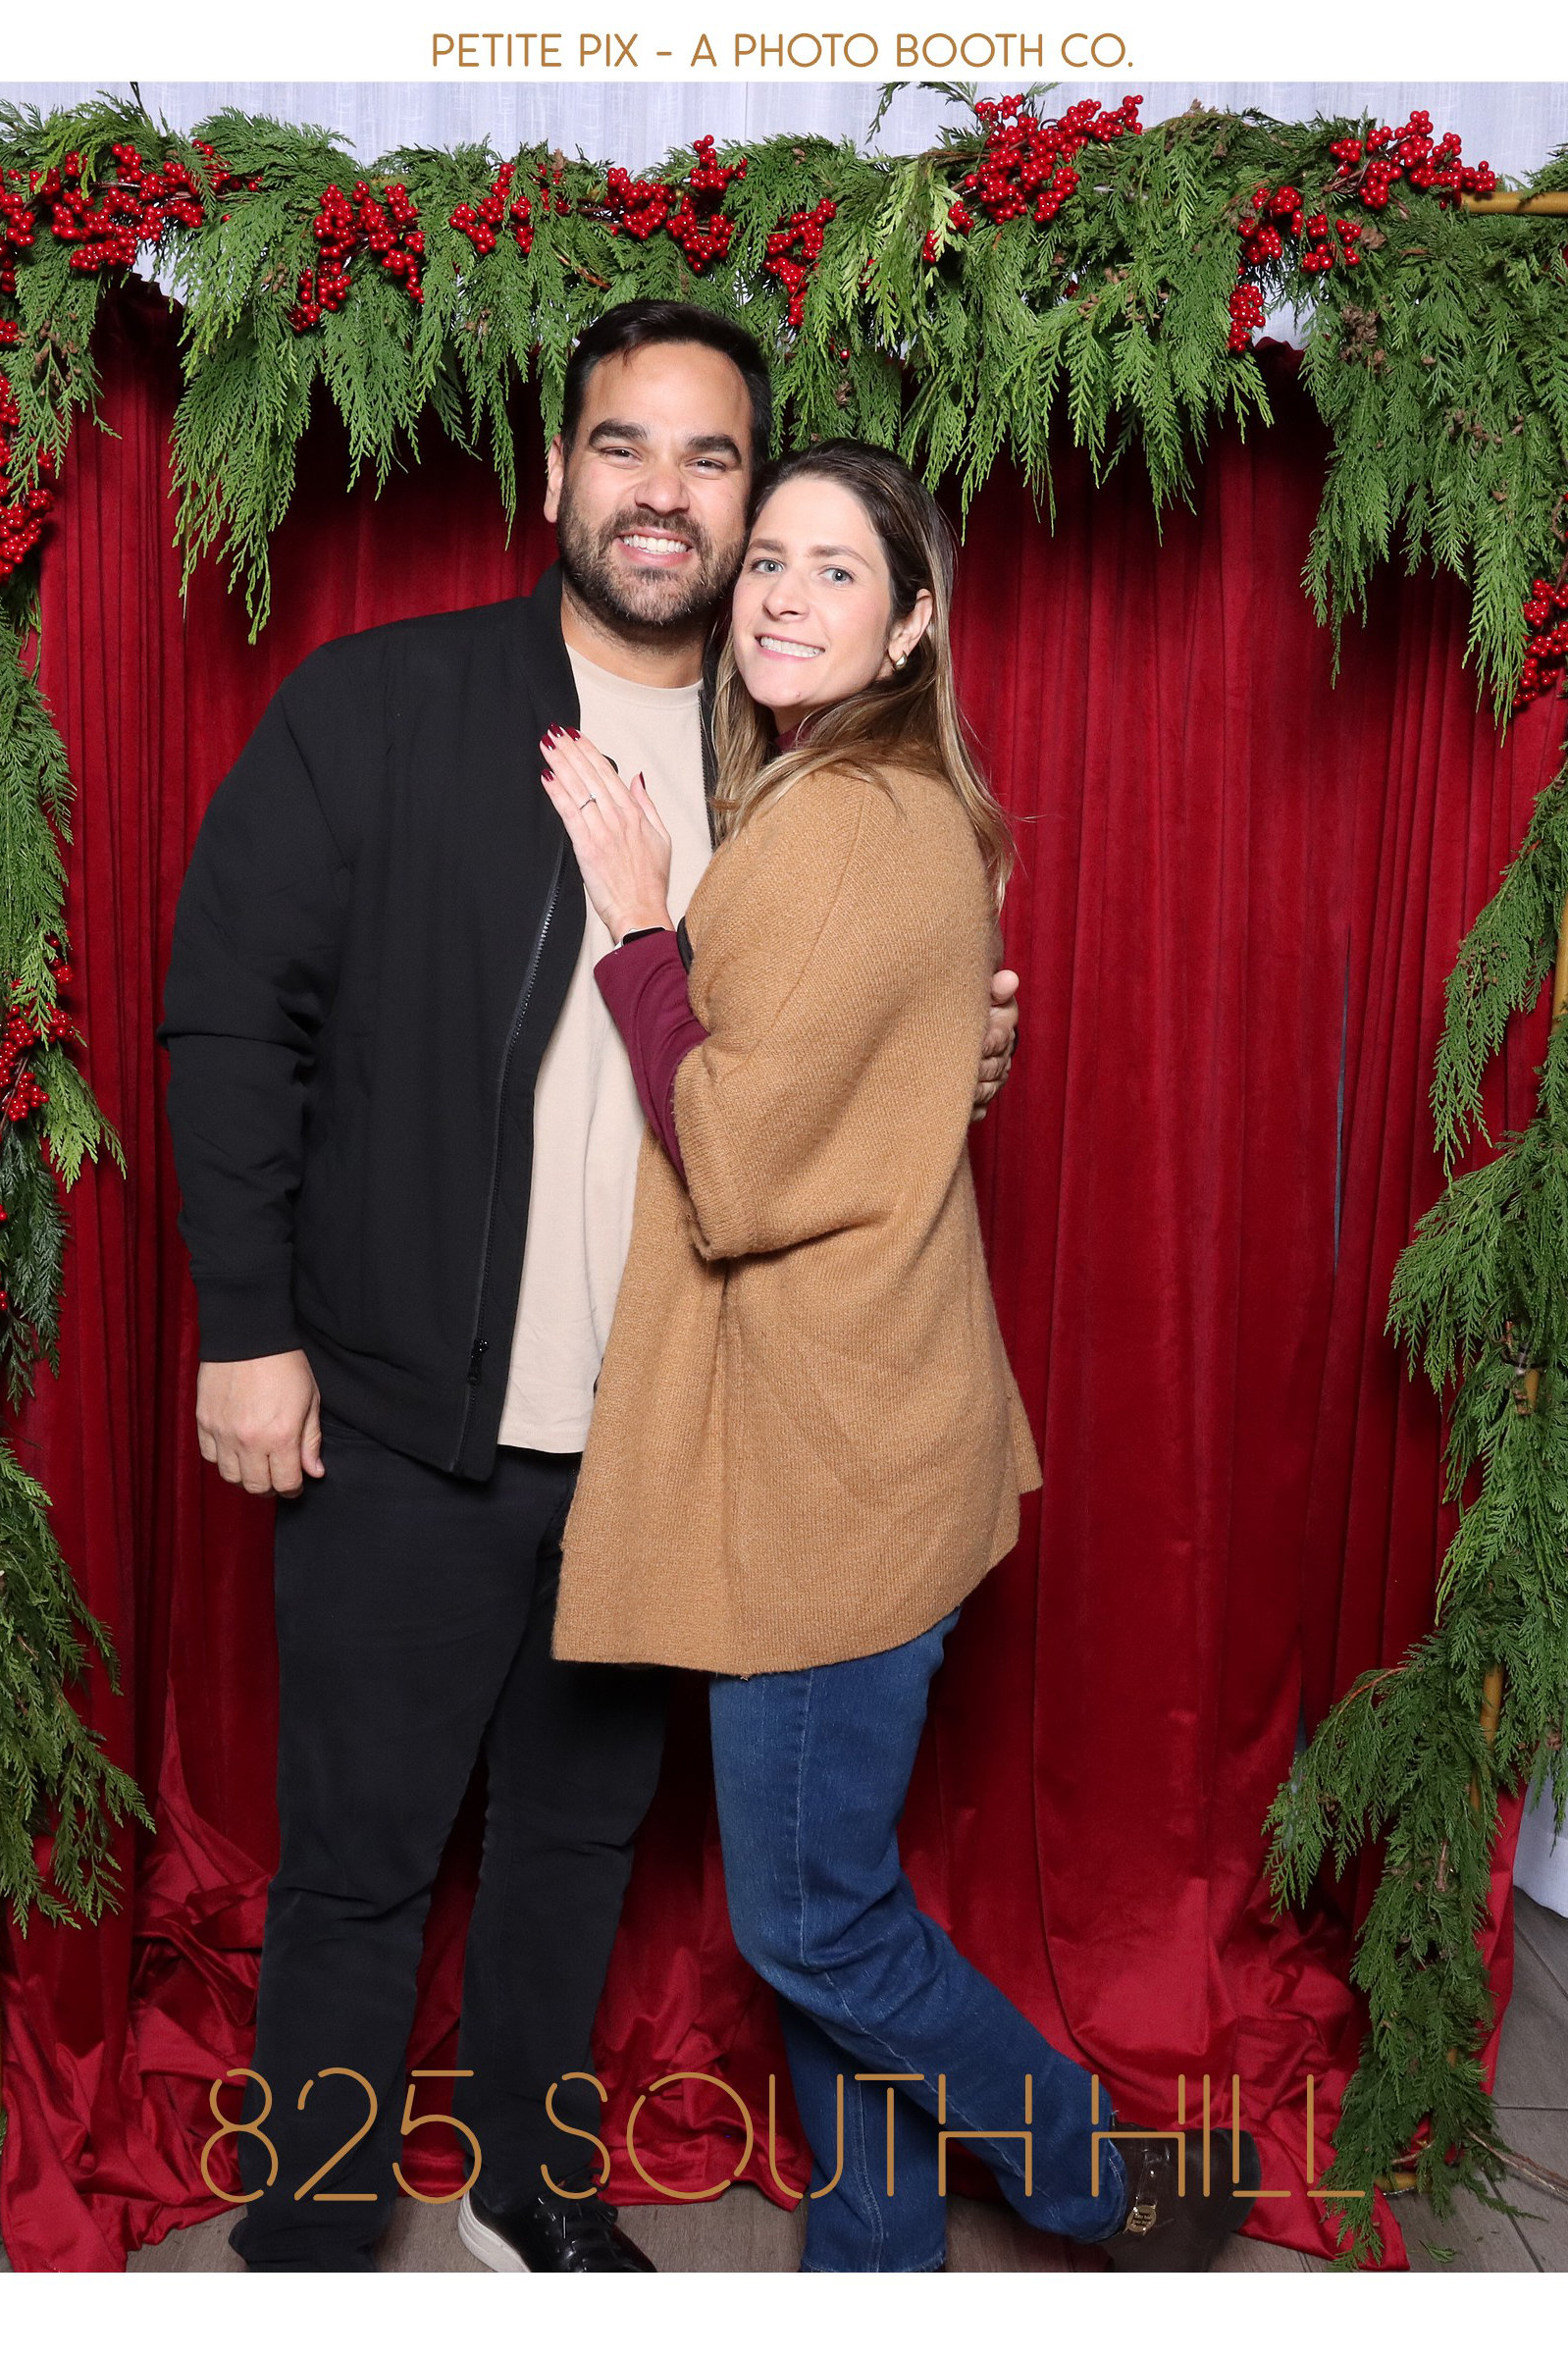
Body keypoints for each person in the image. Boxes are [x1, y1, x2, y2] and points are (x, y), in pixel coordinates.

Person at [159, 302, 1021, 2274]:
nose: (663, 492)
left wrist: (955, 1052)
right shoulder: (381, 705)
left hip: (660, 1440)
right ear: (554, 474)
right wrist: (248, 1327)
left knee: (573, 1846)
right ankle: (312, 2232)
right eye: (624, 444)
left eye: (712, 459)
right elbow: (229, 1021)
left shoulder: (786, 765)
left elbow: (833, 1050)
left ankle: (532, 2190)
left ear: (752, 505)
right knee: (361, 1865)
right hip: (400, 1414)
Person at [542, 440, 1261, 2273]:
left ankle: (1106, 2180)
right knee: (830, 1899)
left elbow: (736, 1160)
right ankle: (876, 2256)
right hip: (867, 1436)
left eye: (837, 570)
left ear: (912, 624)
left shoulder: (846, 824)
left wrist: (639, 927)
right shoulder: (868, 799)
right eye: (768, 560)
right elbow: (875, 1077)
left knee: (811, 1922)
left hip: (829, 1475)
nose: (782, 595)